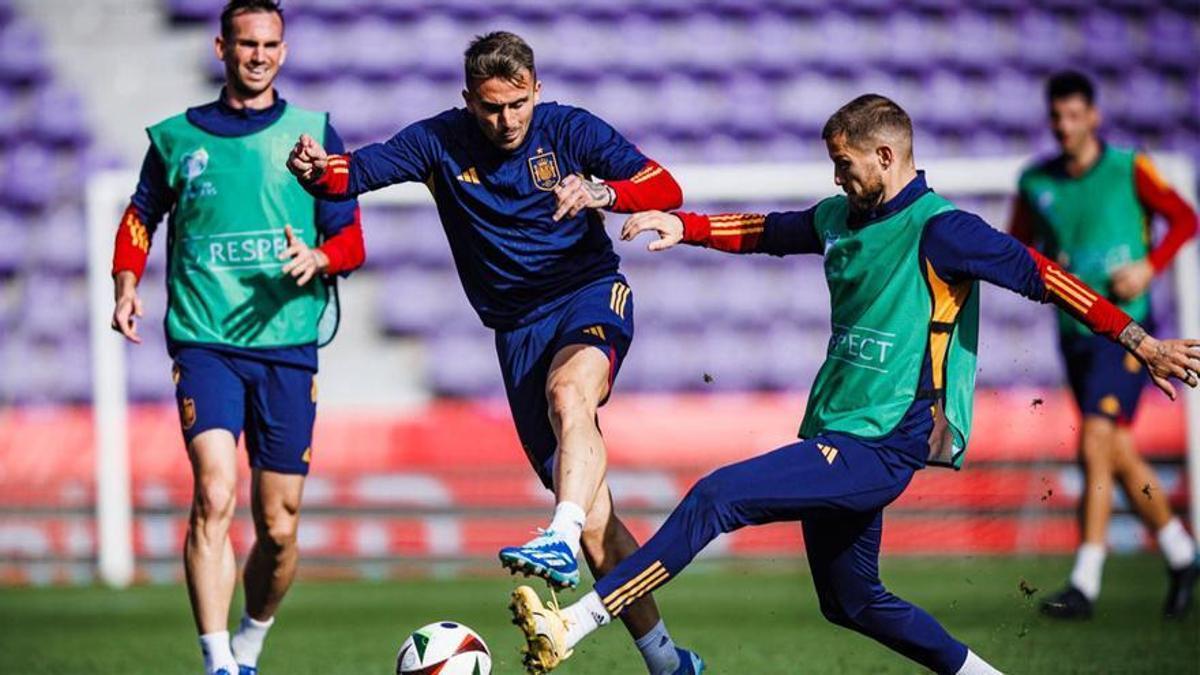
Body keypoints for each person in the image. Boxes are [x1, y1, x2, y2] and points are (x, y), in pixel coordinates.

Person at [508, 94, 1200, 675]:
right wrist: (679, 224)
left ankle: (576, 622)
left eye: (845, 163)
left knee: (718, 494)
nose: (837, 177)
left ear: (886, 157)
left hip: (884, 443)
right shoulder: (841, 218)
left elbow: (1045, 275)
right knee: (851, 599)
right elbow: (768, 231)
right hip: (838, 426)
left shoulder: (944, 230)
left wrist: (1139, 339)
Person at [286, 31, 702, 675]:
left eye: (516, 104)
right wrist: (319, 170)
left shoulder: (568, 130)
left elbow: (664, 185)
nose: (505, 121)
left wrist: (603, 193)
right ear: (468, 101)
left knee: (572, 398)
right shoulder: (440, 141)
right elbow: (354, 174)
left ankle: (556, 536)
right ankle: (671, 664)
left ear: (536, 90)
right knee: (599, 527)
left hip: (589, 292)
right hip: (517, 333)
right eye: (490, 108)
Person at [110, 2, 364, 673]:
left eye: (271, 43)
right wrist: (127, 283)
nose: (259, 55)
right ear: (221, 46)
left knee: (278, 529)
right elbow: (141, 215)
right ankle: (217, 659)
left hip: (286, 344)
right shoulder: (175, 138)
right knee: (213, 493)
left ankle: (249, 638)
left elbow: (351, 237)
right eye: (246, 43)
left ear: (284, 49)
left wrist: (321, 259)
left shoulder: (313, 134)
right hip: (205, 342)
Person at [1008, 70, 1200, 620]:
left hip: (1130, 329)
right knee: (1112, 448)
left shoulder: (1127, 167)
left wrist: (1149, 266)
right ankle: (1182, 554)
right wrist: (1044, 266)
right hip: (1074, 331)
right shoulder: (1035, 182)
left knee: (1095, 439)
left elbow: (1185, 218)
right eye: (1057, 117)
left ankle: (1086, 581)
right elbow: (1016, 249)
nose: (1065, 127)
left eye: (1074, 116)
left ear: (1093, 116)